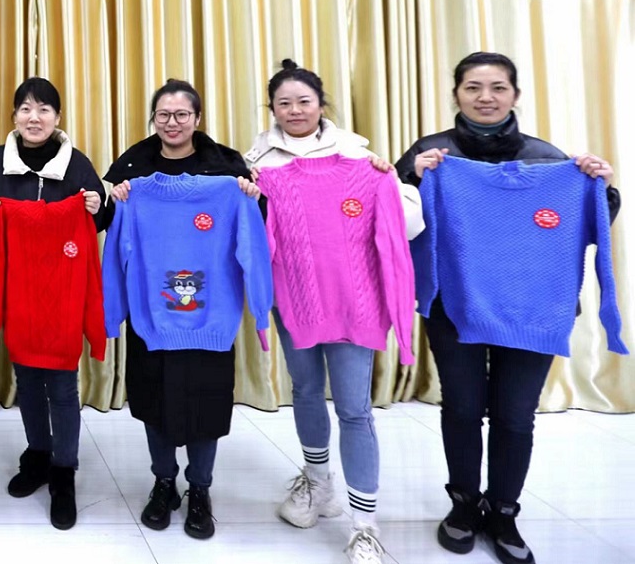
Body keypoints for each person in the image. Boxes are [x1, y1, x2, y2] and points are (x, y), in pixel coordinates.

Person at [395, 51, 620, 564]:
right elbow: (395, 221)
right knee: (462, 407)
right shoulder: (431, 153)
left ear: (515, 94)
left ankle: (504, 512)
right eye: (473, 87)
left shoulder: (548, 159)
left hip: (532, 308)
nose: (486, 97)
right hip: (454, 305)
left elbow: (588, 226)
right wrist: (412, 177)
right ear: (456, 94)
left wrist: (601, 187)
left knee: (515, 415)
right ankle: (463, 504)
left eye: (498, 87)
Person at [245, 60, 421, 564]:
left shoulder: (361, 159)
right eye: (284, 103)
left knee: (354, 408)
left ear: (321, 105)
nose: (295, 111)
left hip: (353, 303)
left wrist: (393, 184)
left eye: (304, 101)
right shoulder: (258, 164)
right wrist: (246, 191)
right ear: (272, 109)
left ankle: (365, 525)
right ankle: (317, 481)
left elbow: (406, 226)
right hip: (294, 300)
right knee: (303, 391)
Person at [104, 79, 260, 540]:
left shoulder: (227, 169)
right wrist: (112, 199)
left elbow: (254, 236)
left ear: (197, 118)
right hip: (151, 320)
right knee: (154, 402)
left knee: (207, 405)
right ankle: (163, 481)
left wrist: (253, 197)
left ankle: (200, 488)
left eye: (181, 114)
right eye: (164, 115)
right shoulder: (132, 168)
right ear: (153, 119)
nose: (172, 123)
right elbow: (111, 240)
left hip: (210, 321)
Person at [0, 77, 106, 530]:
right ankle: (38, 454)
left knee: (63, 388)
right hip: (18, 290)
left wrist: (97, 204)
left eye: (44, 109)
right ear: (14, 116)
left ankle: (64, 471)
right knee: (27, 382)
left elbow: (99, 219)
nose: (35, 118)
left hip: (63, 292)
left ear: (57, 117)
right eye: (26, 109)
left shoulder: (77, 164)